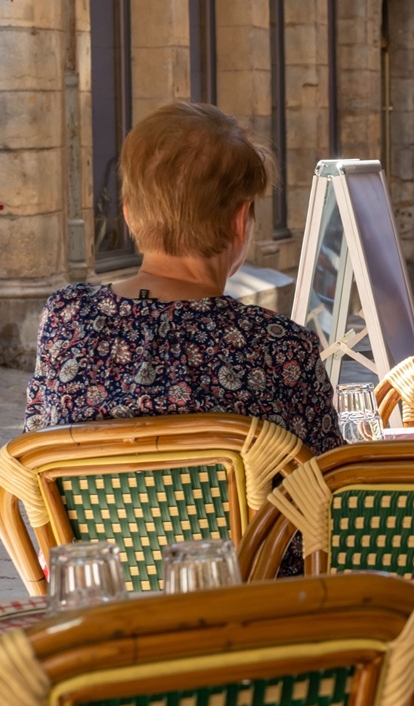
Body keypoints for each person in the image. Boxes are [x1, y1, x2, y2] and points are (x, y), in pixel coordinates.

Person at [25, 101, 344, 458]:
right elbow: (326, 482)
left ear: (128, 215)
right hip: (246, 517)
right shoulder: (279, 347)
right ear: (241, 221)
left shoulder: (67, 317)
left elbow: (35, 455)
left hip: (81, 516)